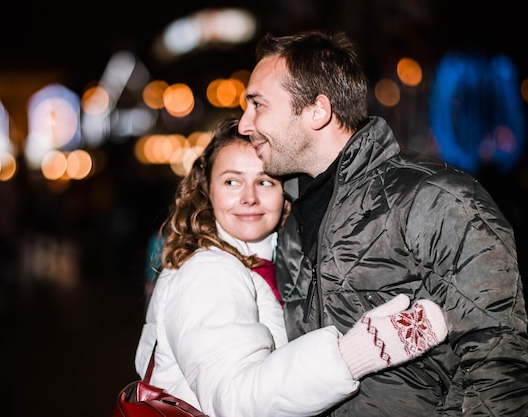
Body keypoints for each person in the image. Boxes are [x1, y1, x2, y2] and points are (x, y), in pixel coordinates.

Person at [238, 29, 528, 416]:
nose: (244, 124)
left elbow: (500, 358)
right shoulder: (290, 224)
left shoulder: (435, 197)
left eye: (258, 105)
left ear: (317, 111)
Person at [134, 117, 448, 417]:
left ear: (285, 196)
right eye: (232, 181)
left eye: (265, 182)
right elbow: (236, 401)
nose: (249, 198)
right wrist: (353, 354)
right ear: (207, 190)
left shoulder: (268, 262)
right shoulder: (209, 272)